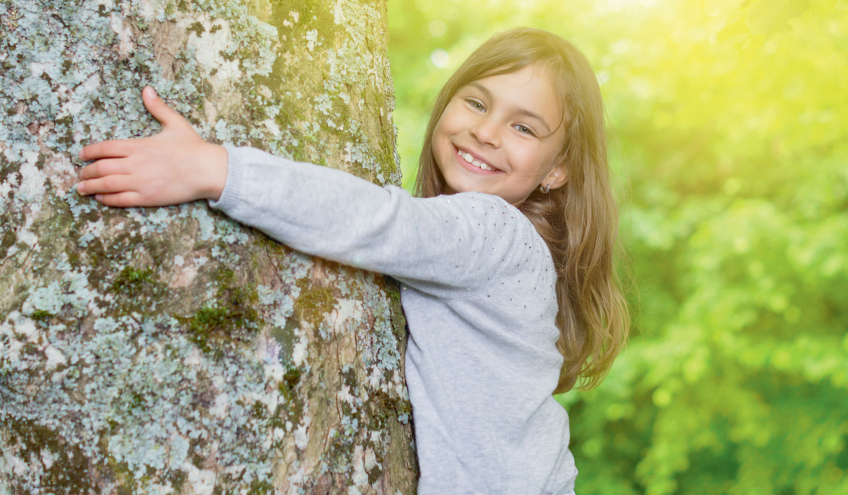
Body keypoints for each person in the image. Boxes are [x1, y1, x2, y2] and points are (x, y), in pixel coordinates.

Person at [76, 27, 629, 494]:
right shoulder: (508, 247)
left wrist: (215, 169)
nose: (485, 132)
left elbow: (374, 220)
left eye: (524, 127)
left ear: (558, 171)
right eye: (477, 102)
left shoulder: (496, 232)